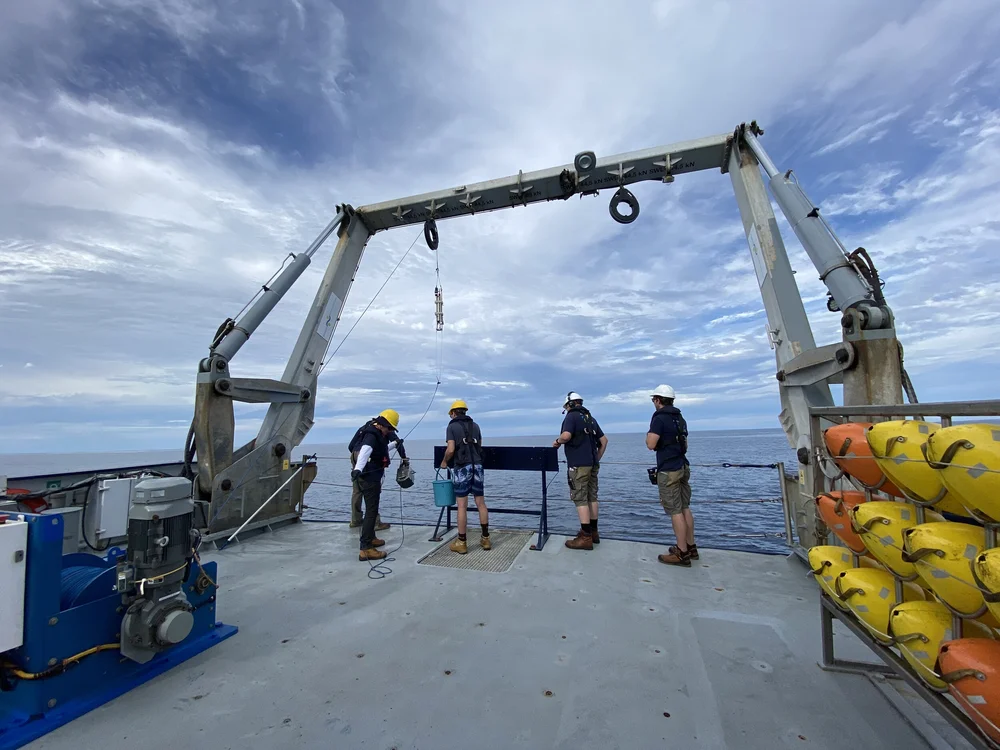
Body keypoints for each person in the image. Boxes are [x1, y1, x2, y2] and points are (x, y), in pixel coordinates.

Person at [646, 384, 696, 566]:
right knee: (685, 508)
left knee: (675, 511)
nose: (653, 402)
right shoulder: (680, 418)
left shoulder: (659, 418)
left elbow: (651, 444)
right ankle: (691, 548)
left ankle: (682, 553)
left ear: (658, 400)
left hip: (669, 470)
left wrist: (648, 436)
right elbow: (686, 445)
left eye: (653, 399)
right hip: (683, 466)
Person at [553, 391, 608, 550]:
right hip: (592, 464)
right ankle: (593, 532)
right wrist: (596, 458)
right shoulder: (590, 418)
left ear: (569, 404)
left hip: (578, 465)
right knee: (592, 497)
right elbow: (604, 441)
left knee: (580, 499)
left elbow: (566, 436)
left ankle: (585, 537)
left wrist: (557, 442)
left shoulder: (571, 417)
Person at [349, 409, 404, 562]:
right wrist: (358, 469)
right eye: (390, 428)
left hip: (370, 475)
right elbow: (366, 451)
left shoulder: (374, 432)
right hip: (369, 476)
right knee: (371, 511)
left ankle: (371, 537)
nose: (391, 431)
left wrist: (395, 444)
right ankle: (365, 548)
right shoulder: (372, 435)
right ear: (383, 425)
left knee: (371, 509)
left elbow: (380, 450)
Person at [440, 399, 490, 554]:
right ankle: (486, 539)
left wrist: (444, 462)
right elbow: (479, 445)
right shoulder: (475, 426)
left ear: (453, 413)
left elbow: (450, 449)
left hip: (462, 468)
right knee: (481, 503)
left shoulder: (452, 426)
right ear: (465, 411)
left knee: (462, 505)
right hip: (478, 466)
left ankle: (461, 542)